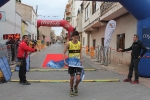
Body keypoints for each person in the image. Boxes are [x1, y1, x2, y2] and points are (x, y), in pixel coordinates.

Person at [63, 31, 82, 97]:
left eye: (77, 37)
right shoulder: (69, 44)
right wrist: (64, 60)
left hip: (78, 63)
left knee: (78, 78)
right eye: (75, 37)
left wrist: (81, 59)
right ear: (72, 37)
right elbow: (64, 52)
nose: (76, 39)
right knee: (72, 78)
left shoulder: (80, 43)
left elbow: (80, 52)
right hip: (71, 63)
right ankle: (71, 89)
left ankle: (76, 86)